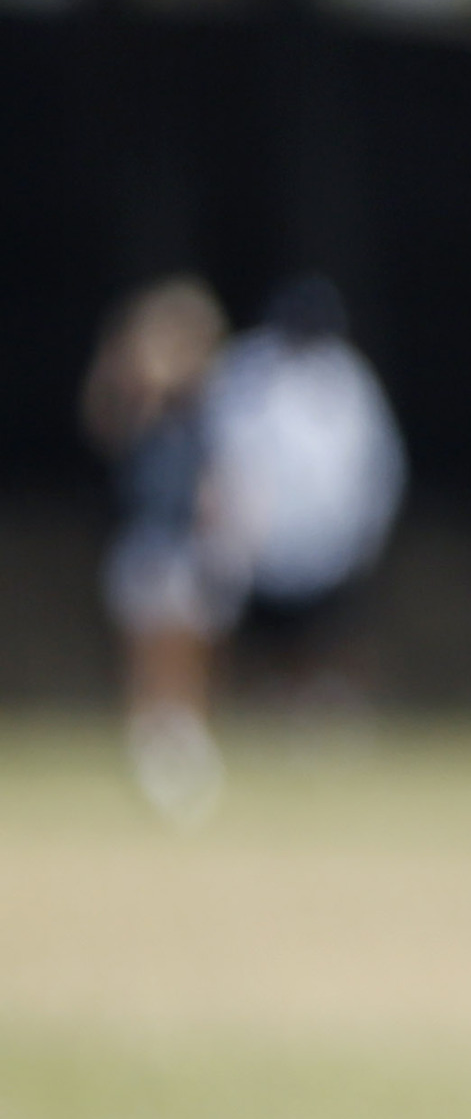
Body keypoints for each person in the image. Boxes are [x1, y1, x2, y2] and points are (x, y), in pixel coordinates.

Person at [199, 273, 407, 711]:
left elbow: (377, 460)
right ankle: (256, 709)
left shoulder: (347, 376)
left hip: (331, 540)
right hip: (259, 539)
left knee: (330, 633)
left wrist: (370, 527)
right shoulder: (248, 369)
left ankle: (324, 714)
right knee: (258, 639)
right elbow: (220, 447)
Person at [80, 276, 233, 823]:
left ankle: (186, 741)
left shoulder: (203, 407)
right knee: (147, 647)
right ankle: (149, 743)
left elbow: (218, 471)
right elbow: (104, 413)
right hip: (148, 539)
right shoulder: (138, 405)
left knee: (188, 647)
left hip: (187, 543)